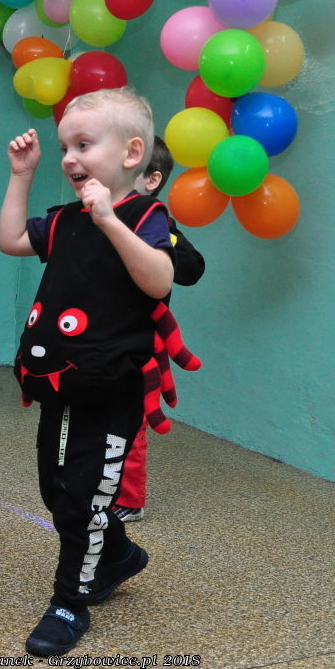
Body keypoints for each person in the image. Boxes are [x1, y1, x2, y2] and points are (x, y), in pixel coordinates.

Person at [0, 87, 175, 656]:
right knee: (57, 492)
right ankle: (118, 553)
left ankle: (69, 602)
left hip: (111, 387)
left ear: (131, 154)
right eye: (64, 148)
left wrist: (111, 222)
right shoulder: (65, 221)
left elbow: (160, 280)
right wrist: (21, 176)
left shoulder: (145, 215)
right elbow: (11, 240)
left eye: (83, 145)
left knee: (83, 498)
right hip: (62, 383)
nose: (69, 158)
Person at [112, 136, 205, 523]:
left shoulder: (159, 223)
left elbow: (192, 268)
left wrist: (161, 239)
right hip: (98, 338)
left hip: (138, 342)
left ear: (151, 180)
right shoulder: (99, 217)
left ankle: (129, 500)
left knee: (129, 420)